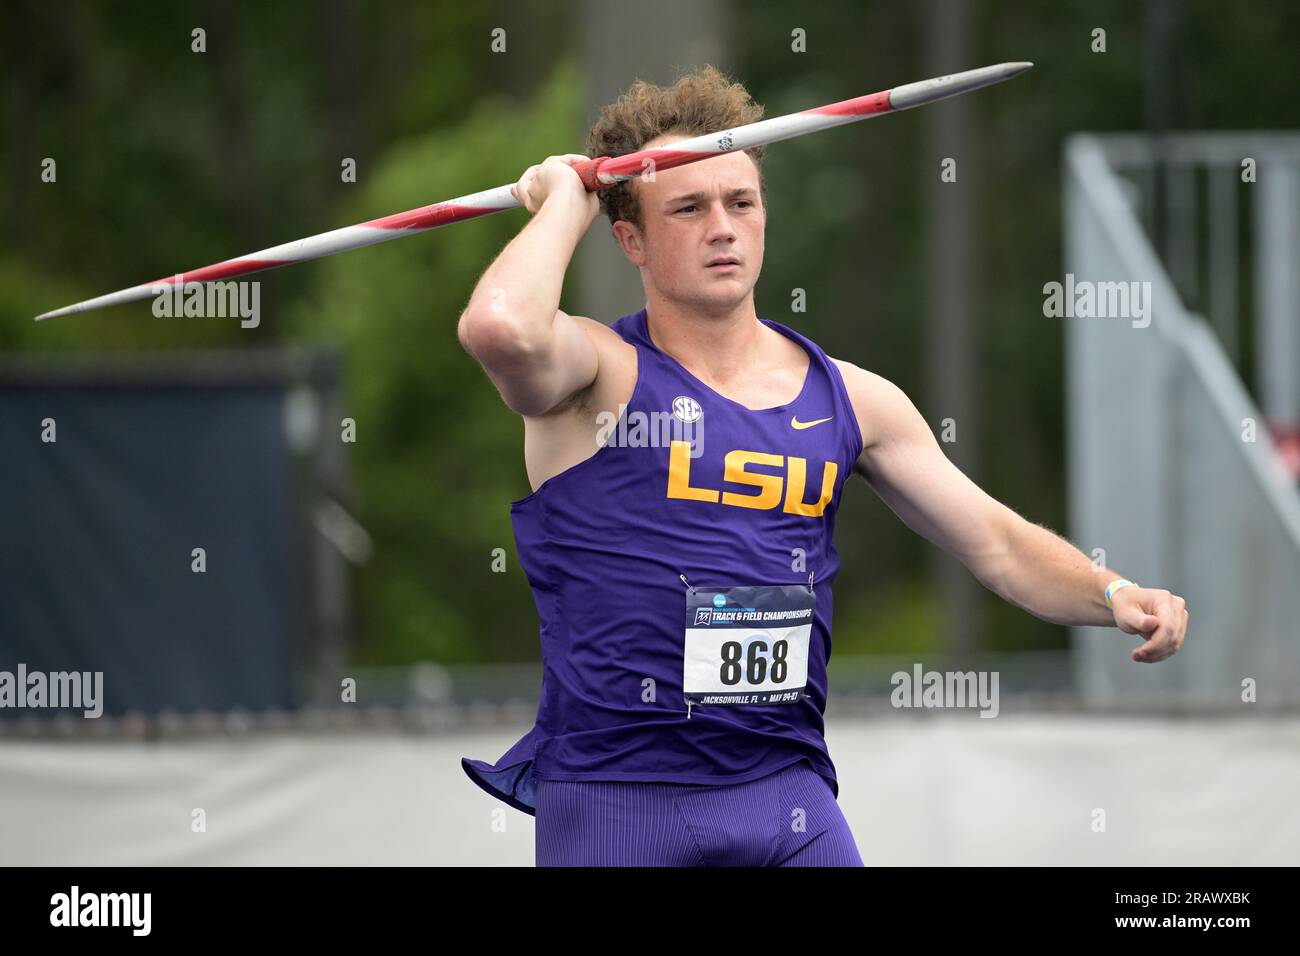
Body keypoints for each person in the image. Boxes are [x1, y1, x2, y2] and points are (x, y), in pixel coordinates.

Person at [456, 66, 1189, 867]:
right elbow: (501, 330)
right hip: (616, 799)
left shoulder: (855, 400)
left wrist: (1113, 592)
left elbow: (1001, 544)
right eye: (689, 208)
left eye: (741, 202)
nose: (723, 227)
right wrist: (567, 201)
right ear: (630, 237)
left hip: (784, 794)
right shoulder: (595, 375)